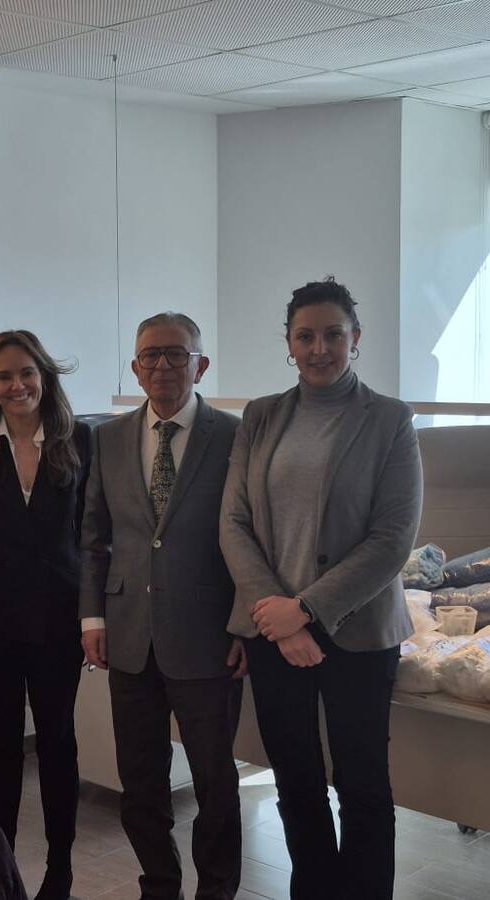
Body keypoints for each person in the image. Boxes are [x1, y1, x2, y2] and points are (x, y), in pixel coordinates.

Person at [220, 278, 422, 900]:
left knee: (363, 787)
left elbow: (392, 539)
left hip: (358, 632)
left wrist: (305, 610)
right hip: (271, 632)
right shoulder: (260, 416)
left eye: (333, 335)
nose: (319, 349)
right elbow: (234, 523)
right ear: (288, 343)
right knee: (296, 782)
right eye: (304, 336)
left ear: (355, 338)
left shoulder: (390, 419)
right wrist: (277, 616)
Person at [80, 312, 244, 900]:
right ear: (135, 366)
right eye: (151, 355)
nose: (163, 365)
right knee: (140, 782)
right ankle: (159, 884)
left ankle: (216, 890)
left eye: (177, 354)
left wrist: (244, 625)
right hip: (129, 636)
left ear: (201, 365)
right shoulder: (108, 437)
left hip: (208, 638)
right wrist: (92, 617)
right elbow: (94, 536)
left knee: (215, 782)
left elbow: (252, 537)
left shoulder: (234, 436)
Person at [0, 330, 90, 900]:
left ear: (43, 376)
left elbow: (93, 536)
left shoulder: (79, 440)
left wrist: (93, 618)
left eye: (26, 372)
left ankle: (60, 867)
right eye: (4, 376)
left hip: (60, 623)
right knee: (0, 745)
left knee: (57, 742)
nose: (17, 385)